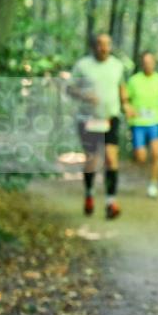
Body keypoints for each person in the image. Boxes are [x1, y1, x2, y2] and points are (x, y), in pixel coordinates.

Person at [69, 33, 128, 219]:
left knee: (111, 158)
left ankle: (111, 202)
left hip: (110, 118)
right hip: (87, 118)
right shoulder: (82, 65)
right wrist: (84, 96)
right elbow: (69, 88)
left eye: (107, 44)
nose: (104, 48)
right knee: (92, 160)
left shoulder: (118, 65)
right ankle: (89, 194)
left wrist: (126, 104)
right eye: (100, 44)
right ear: (94, 46)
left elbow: (121, 88)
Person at [126, 52, 158, 198]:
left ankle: (153, 185)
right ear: (142, 64)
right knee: (141, 157)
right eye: (145, 62)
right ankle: (138, 156)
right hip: (138, 123)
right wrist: (128, 109)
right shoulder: (134, 80)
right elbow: (126, 99)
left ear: (154, 63)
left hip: (155, 122)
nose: (148, 64)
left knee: (156, 154)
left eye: (150, 62)